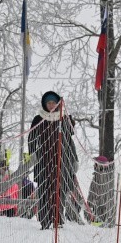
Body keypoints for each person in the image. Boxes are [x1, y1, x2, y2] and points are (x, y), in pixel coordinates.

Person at [27, 91, 78, 230]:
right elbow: (31, 137)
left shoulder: (62, 118)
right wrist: (32, 153)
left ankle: (58, 219)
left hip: (60, 161)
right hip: (44, 160)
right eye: (48, 103)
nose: (51, 105)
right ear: (45, 104)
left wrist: (69, 120)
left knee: (59, 190)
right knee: (44, 189)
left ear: (57, 104)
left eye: (53, 103)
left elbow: (70, 136)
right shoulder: (39, 119)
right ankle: (45, 220)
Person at [88, 155, 115, 226]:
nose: (94, 165)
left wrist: (89, 203)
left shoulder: (98, 177)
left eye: (95, 164)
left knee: (98, 226)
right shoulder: (107, 175)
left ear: (100, 165)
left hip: (99, 207)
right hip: (104, 207)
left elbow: (94, 192)